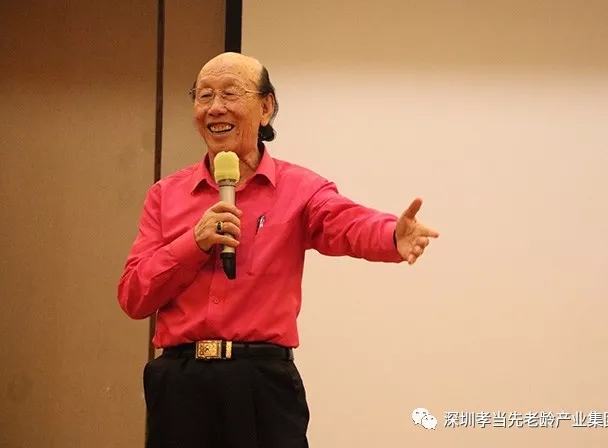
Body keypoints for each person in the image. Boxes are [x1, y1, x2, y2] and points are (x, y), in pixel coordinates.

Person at [117, 52, 439, 448]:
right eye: (204, 96)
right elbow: (134, 296)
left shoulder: (300, 189)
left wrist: (391, 234)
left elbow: (346, 223)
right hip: (180, 387)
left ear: (266, 107)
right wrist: (193, 243)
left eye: (230, 94)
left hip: (261, 385)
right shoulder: (165, 195)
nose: (215, 108)